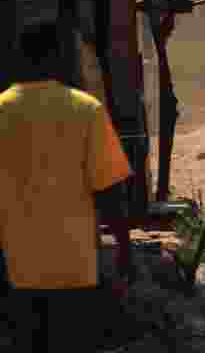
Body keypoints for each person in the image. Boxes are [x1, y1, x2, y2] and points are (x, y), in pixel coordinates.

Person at [0, 21, 133, 352]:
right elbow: (109, 189)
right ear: (59, 58)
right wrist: (124, 249)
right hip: (74, 266)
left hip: (14, 268)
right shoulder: (85, 109)